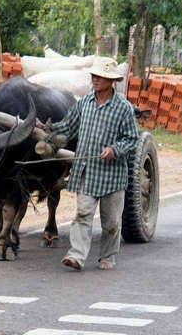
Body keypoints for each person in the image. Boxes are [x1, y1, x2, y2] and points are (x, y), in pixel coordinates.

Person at [36, 57, 139, 270]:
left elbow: (131, 139)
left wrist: (114, 150)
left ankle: (107, 257)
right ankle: (76, 256)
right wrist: (47, 129)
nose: (96, 79)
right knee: (82, 215)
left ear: (111, 80)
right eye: (94, 75)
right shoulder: (84, 103)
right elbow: (67, 126)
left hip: (112, 175)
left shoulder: (123, 108)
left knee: (111, 223)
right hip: (87, 171)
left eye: (100, 76)